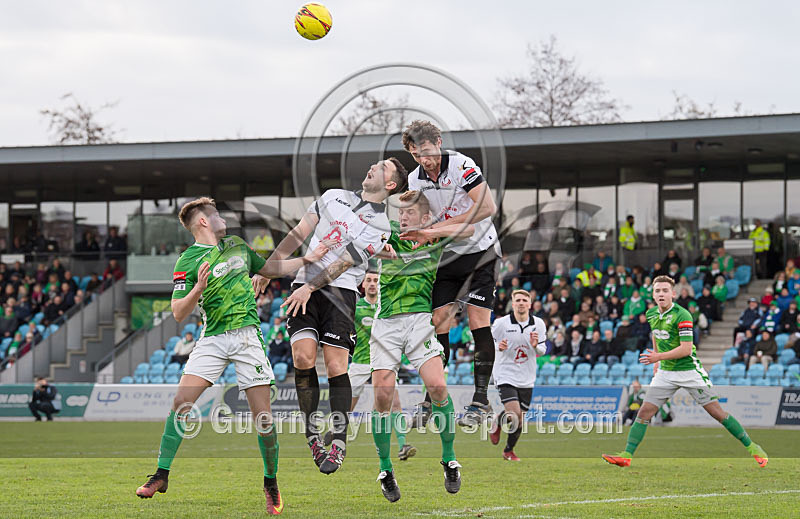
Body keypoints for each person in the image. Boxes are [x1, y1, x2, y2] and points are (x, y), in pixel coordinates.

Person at [135, 197, 329, 513]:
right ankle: (161, 474)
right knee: (181, 402)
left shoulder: (237, 245)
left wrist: (308, 258)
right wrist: (198, 288)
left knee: (263, 418)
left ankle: (270, 482)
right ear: (203, 221)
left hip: (247, 337)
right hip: (212, 338)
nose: (223, 219)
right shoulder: (187, 260)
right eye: (217, 215)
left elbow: (271, 269)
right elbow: (178, 312)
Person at [269, 159, 403, 475]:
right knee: (302, 358)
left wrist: (309, 288)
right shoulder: (333, 196)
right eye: (375, 163)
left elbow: (343, 263)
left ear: (390, 184)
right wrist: (269, 268)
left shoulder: (381, 226)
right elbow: (298, 233)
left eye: (382, 167)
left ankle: (339, 441)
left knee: (335, 366)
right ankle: (312, 435)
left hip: (341, 292)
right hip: (303, 283)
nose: (373, 166)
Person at [602, 275, 768, 469]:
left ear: (673, 294)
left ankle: (753, 447)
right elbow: (656, 334)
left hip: (689, 371)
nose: (661, 294)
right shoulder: (651, 313)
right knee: (644, 411)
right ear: (653, 295)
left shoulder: (683, 315)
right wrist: (658, 359)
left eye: (665, 290)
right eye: (657, 291)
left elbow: (686, 349)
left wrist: (658, 357)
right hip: (665, 372)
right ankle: (627, 455)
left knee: (717, 413)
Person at [369, 190, 470, 501]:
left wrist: (430, 232)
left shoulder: (433, 238)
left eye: (409, 213)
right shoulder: (389, 232)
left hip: (420, 321)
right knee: (383, 396)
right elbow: (363, 231)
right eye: (401, 213)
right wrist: (376, 245)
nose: (402, 217)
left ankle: (449, 459)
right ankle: (386, 469)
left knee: (438, 387)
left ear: (425, 217)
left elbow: (469, 229)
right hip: (386, 323)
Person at [403, 120, 501, 426]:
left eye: (427, 151)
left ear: (439, 143)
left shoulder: (461, 165)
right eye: (416, 155)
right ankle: (431, 399)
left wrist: (437, 229)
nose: (424, 159)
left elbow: (487, 207)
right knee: (438, 322)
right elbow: (420, 219)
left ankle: (481, 401)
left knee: (477, 322)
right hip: (447, 255)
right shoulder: (414, 179)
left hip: (480, 252)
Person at [323, 271, 416, 462]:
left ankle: (403, 445)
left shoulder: (387, 306)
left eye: (376, 280)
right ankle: (335, 432)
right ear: (363, 284)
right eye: (369, 280)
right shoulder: (356, 307)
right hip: (360, 362)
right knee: (347, 405)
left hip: (383, 362)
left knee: (395, 403)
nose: (372, 283)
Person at [487, 289, 546, 461]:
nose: (521, 303)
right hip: (505, 373)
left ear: (530, 304)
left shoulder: (539, 324)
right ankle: (499, 425)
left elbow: (542, 350)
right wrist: (498, 347)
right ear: (512, 304)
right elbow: (487, 342)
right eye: (518, 300)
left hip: (527, 377)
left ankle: (508, 450)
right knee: (514, 414)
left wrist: (535, 346)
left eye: (524, 300)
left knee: (519, 420)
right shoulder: (501, 323)